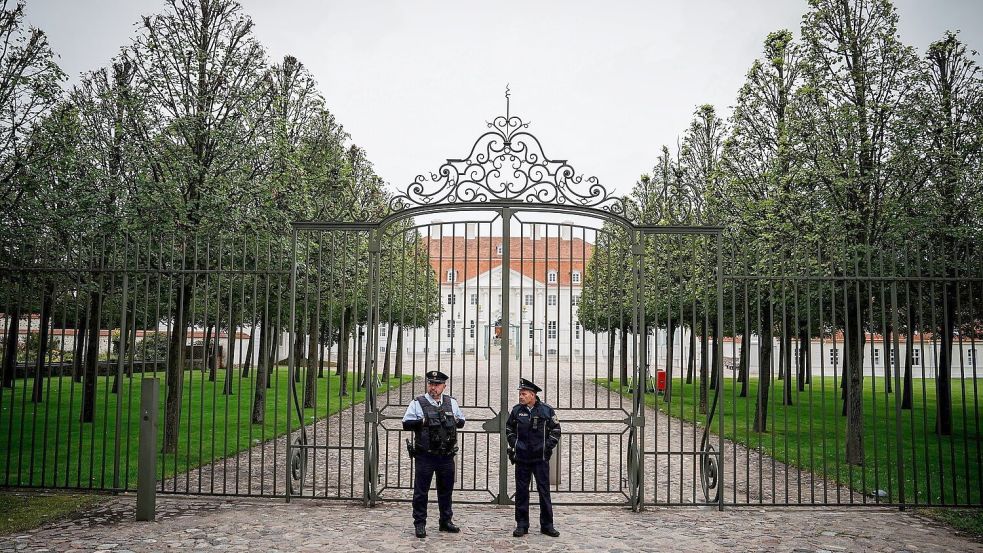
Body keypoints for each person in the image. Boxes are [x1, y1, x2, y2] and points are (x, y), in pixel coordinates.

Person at [402, 370, 465, 538]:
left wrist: (452, 421)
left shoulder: (451, 402)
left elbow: (461, 422)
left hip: (446, 455)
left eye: (437, 385)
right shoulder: (418, 402)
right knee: (421, 491)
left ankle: (446, 521)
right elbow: (406, 423)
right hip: (426, 455)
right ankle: (420, 523)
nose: (433, 388)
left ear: (444, 386)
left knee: (446, 490)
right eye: (431, 384)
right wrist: (422, 421)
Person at [506, 377, 561, 538]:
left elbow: (556, 430)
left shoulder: (546, 410)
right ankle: (522, 525)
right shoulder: (517, 410)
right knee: (521, 492)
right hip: (522, 458)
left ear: (532, 395)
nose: (520, 397)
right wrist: (515, 444)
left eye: (523, 394)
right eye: (520, 394)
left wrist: (546, 447)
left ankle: (547, 525)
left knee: (544, 492)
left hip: (540, 459)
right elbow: (509, 428)